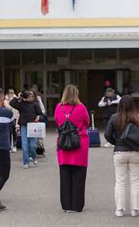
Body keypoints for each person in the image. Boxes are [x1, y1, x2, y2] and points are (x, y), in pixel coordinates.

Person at [104, 95, 139, 218]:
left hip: (120, 153)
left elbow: (107, 134)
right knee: (135, 181)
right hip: (136, 152)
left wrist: (116, 143)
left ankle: (120, 209)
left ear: (120, 105)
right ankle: (135, 210)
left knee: (120, 181)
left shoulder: (114, 118)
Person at [54, 85, 90, 213]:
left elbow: (57, 121)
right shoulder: (81, 107)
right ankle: (77, 205)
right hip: (79, 143)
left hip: (63, 144)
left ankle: (66, 205)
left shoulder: (59, 107)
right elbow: (87, 122)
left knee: (65, 176)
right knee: (79, 176)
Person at [9, 90, 44, 169]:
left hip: (33, 126)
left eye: (32, 95)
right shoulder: (21, 104)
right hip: (24, 125)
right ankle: (26, 162)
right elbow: (11, 103)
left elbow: (41, 115)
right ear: (26, 98)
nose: (32, 97)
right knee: (24, 145)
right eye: (30, 96)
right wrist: (18, 97)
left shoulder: (35, 104)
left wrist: (39, 117)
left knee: (33, 145)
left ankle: (33, 157)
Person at [4, 88, 20, 152]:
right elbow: (9, 108)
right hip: (9, 118)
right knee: (9, 132)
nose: (11, 94)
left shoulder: (17, 99)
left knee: (15, 132)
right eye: (10, 93)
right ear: (8, 93)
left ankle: (14, 145)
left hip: (15, 117)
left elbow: (18, 107)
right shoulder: (5, 100)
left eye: (12, 93)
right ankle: (9, 146)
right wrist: (11, 100)